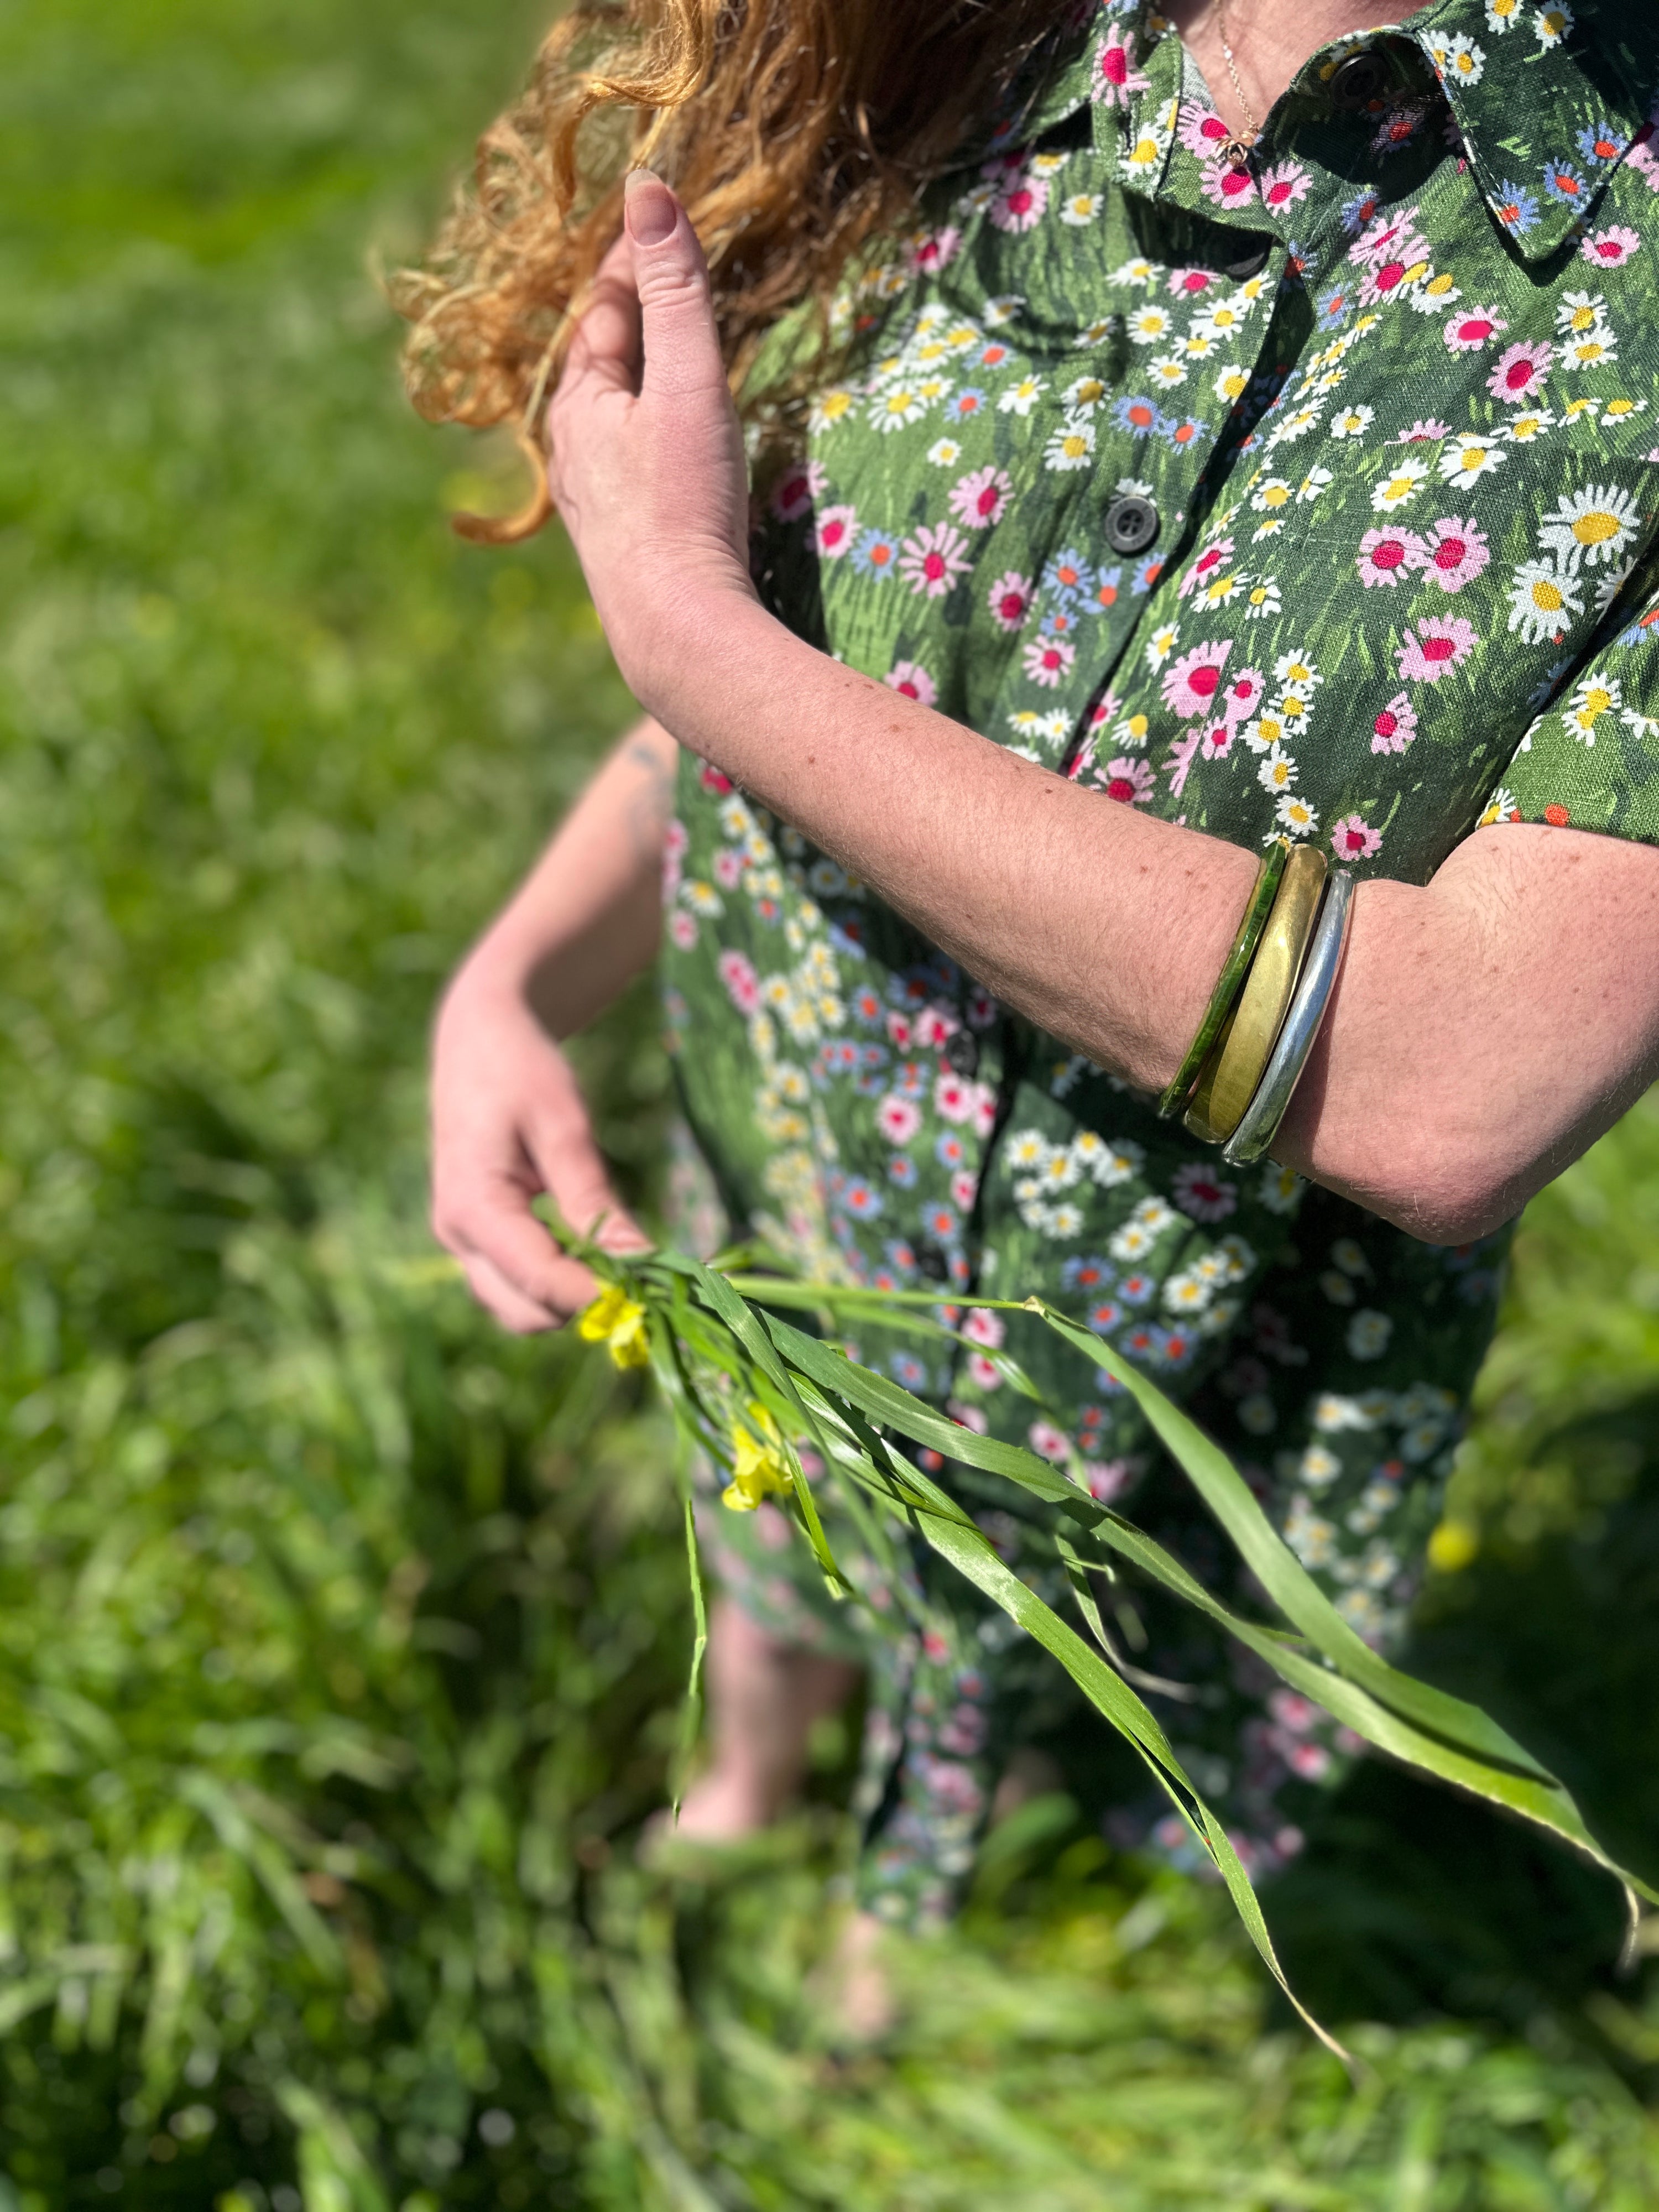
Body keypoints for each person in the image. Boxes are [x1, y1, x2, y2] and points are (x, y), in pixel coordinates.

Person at [413, 0, 1659, 1993]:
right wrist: (511, 982)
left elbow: (1457, 1083)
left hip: (1171, 1355)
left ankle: (923, 1979)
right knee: (772, 1558)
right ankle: (745, 1792)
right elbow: (839, 658)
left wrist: (689, 641)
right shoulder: (973, 59)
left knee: (1059, 1732)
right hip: (789, 1178)